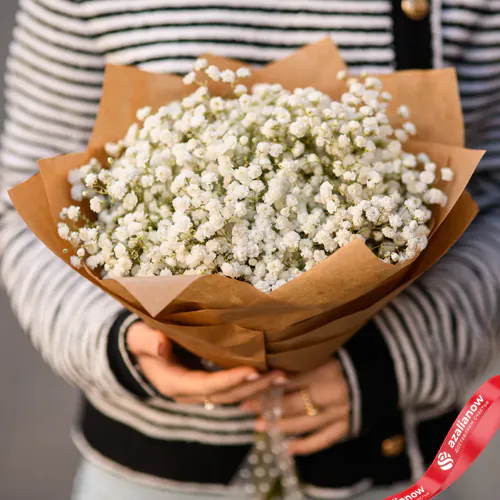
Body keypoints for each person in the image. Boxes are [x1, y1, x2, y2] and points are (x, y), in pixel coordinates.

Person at [1, 1, 499, 499]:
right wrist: (121, 344)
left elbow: (486, 195)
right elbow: (25, 204)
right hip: (151, 469)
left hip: (384, 461)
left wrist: (392, 360)